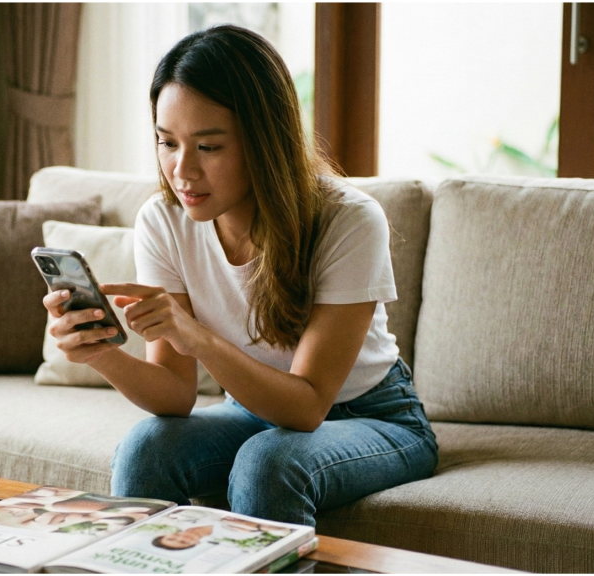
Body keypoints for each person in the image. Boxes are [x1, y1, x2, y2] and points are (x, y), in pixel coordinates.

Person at [41, 25, 437, 527]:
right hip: (254, 408)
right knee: (146, 447)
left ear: (263, 141)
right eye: (167, 142)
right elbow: (174, 394)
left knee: (269, 462)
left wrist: (198, 338)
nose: (181, 171)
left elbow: (308, 406)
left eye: (208, 147)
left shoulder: (348, 220)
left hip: (374, 416)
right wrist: (101, 353)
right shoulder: (163, 221)